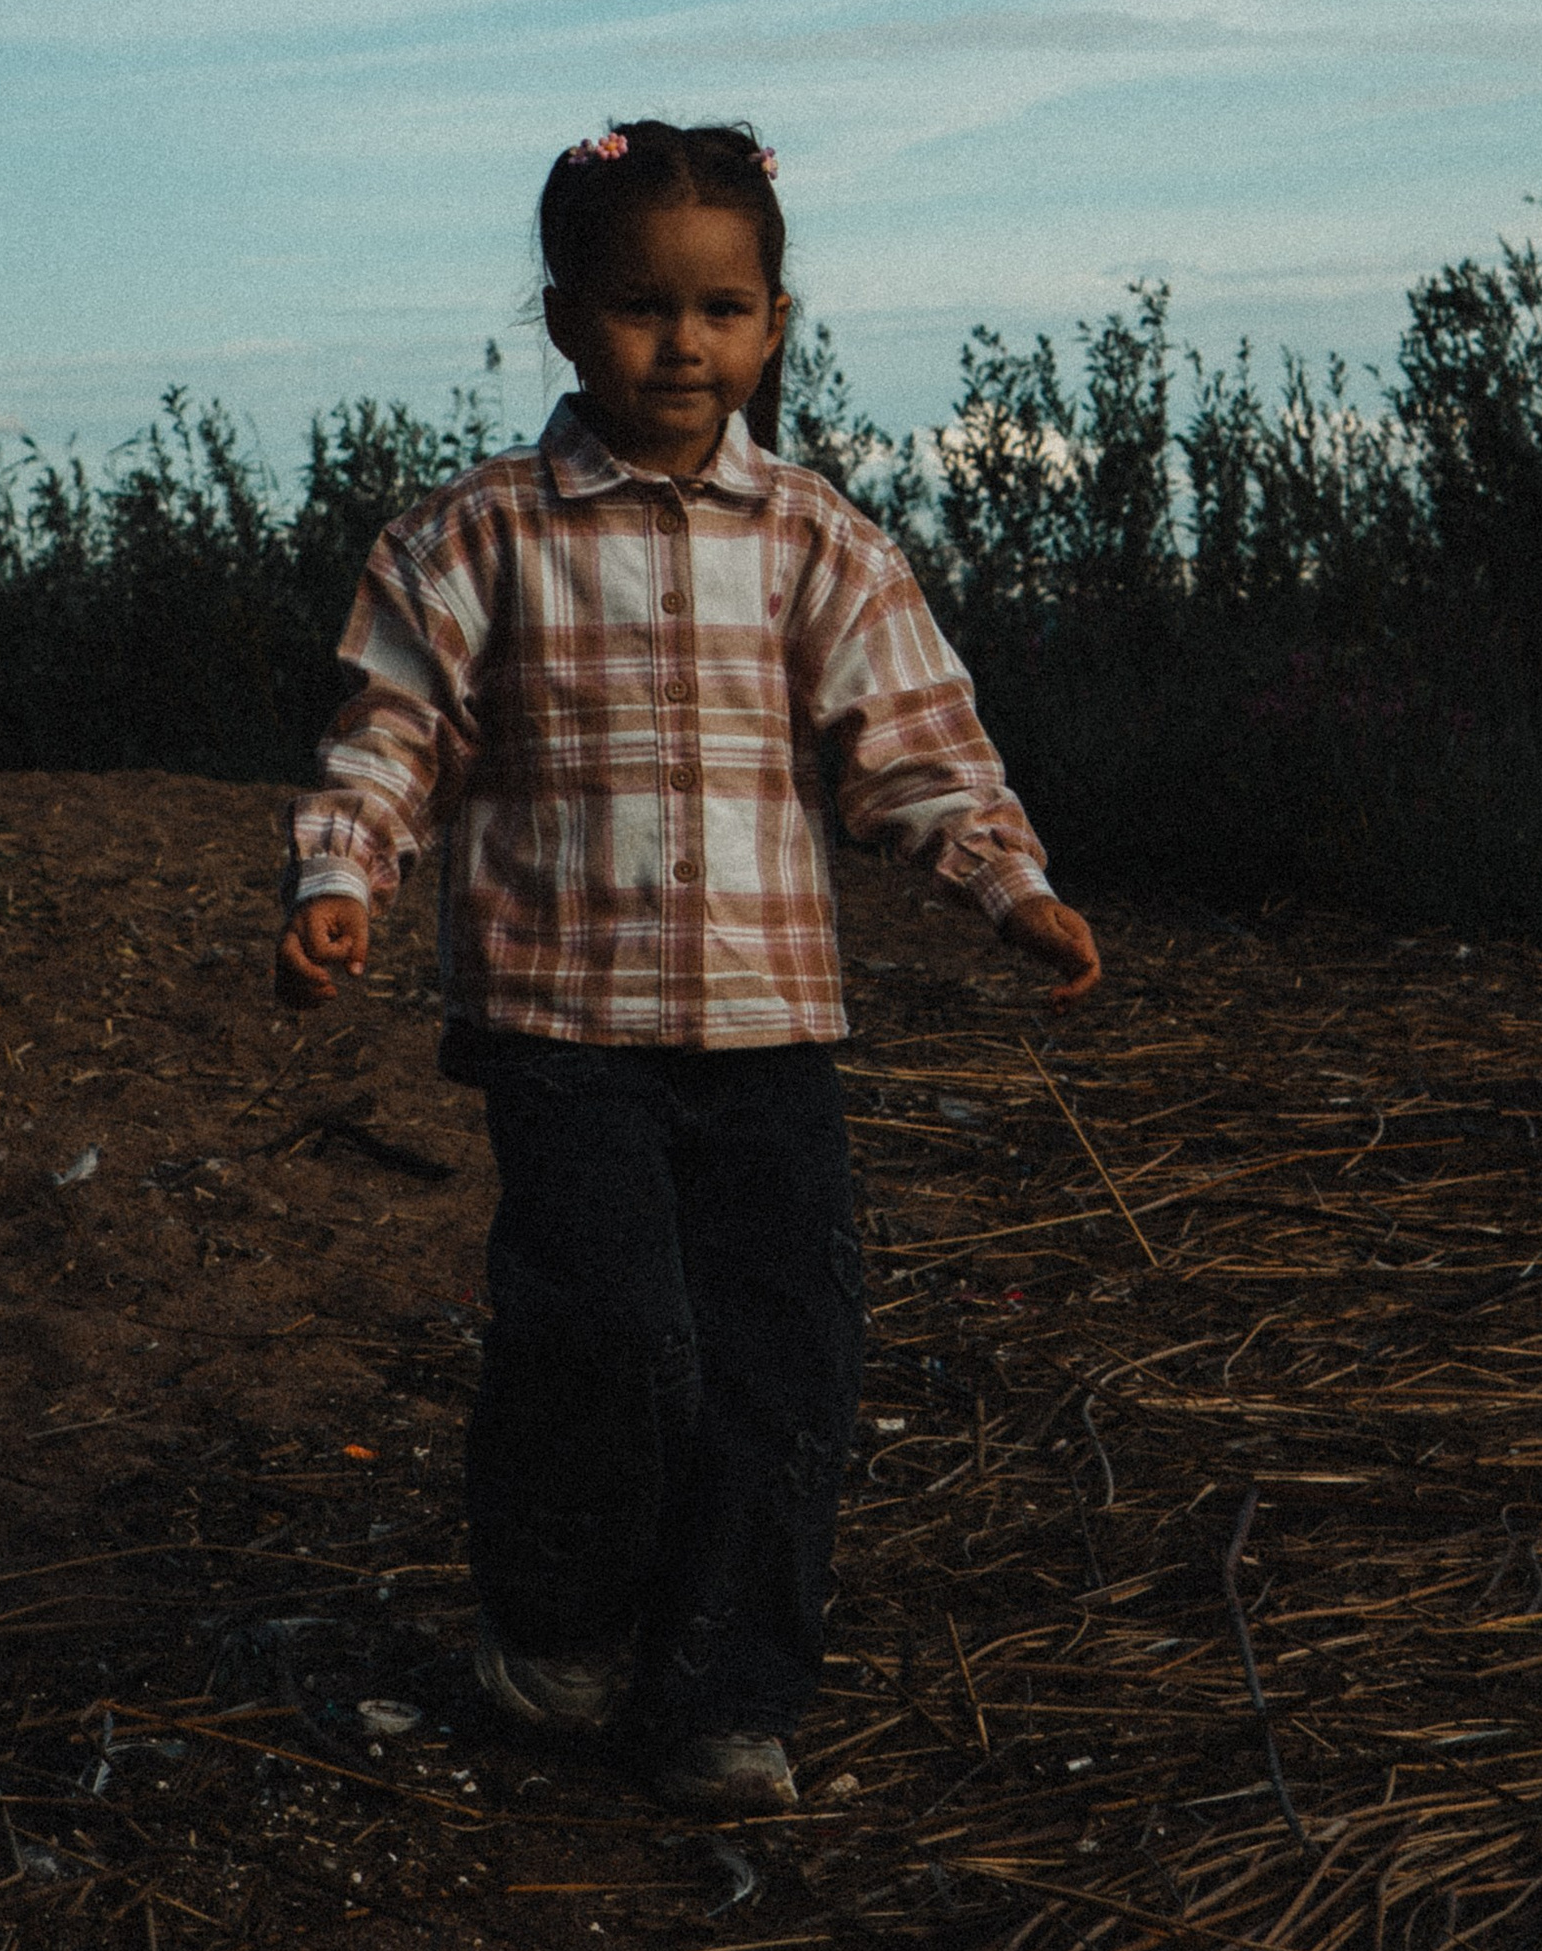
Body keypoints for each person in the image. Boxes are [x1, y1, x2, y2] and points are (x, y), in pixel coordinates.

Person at [275, 118, 1100, 1818]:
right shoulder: (474, 538)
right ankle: (559, 1626)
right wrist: (343, 877)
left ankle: (729, 1693)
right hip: (559, 1019)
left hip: (766, 1025)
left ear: (776, 324)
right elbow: (391, 735)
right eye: (643, 307)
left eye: (722, 309)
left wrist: (1007, 886)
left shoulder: (815, 541)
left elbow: (912, 742)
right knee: (610, 1333)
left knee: (786, 1355)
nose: (683, 344)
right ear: (564, 320)